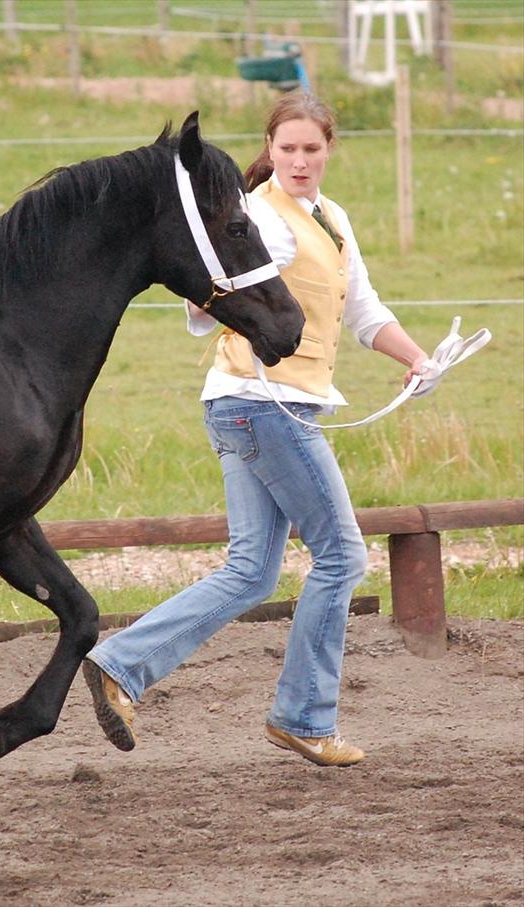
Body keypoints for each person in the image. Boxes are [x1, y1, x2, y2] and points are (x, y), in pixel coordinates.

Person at [81, 92, 434, 767]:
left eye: (312, 148)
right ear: (270, 149)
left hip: (257, 405)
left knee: (250, 572)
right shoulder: (258, 218)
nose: (300, 160)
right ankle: (304, 716)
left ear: (329, 149)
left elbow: (364, 311)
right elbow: (205, 295)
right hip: (261, 402)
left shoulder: (331, 219)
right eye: (288, 148)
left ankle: (120, 663)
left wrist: (416, 358)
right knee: (342, 555)